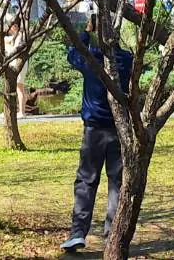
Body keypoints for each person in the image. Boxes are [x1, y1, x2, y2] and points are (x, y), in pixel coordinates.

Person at [59, 26, 134, 254]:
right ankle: (112, 233)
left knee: (86, 180)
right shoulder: (126, 60)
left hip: (93, 130)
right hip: (119, 130)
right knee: (117, 182)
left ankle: (78, 232)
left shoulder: (90, 59)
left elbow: (72, 52)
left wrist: (86, 32)